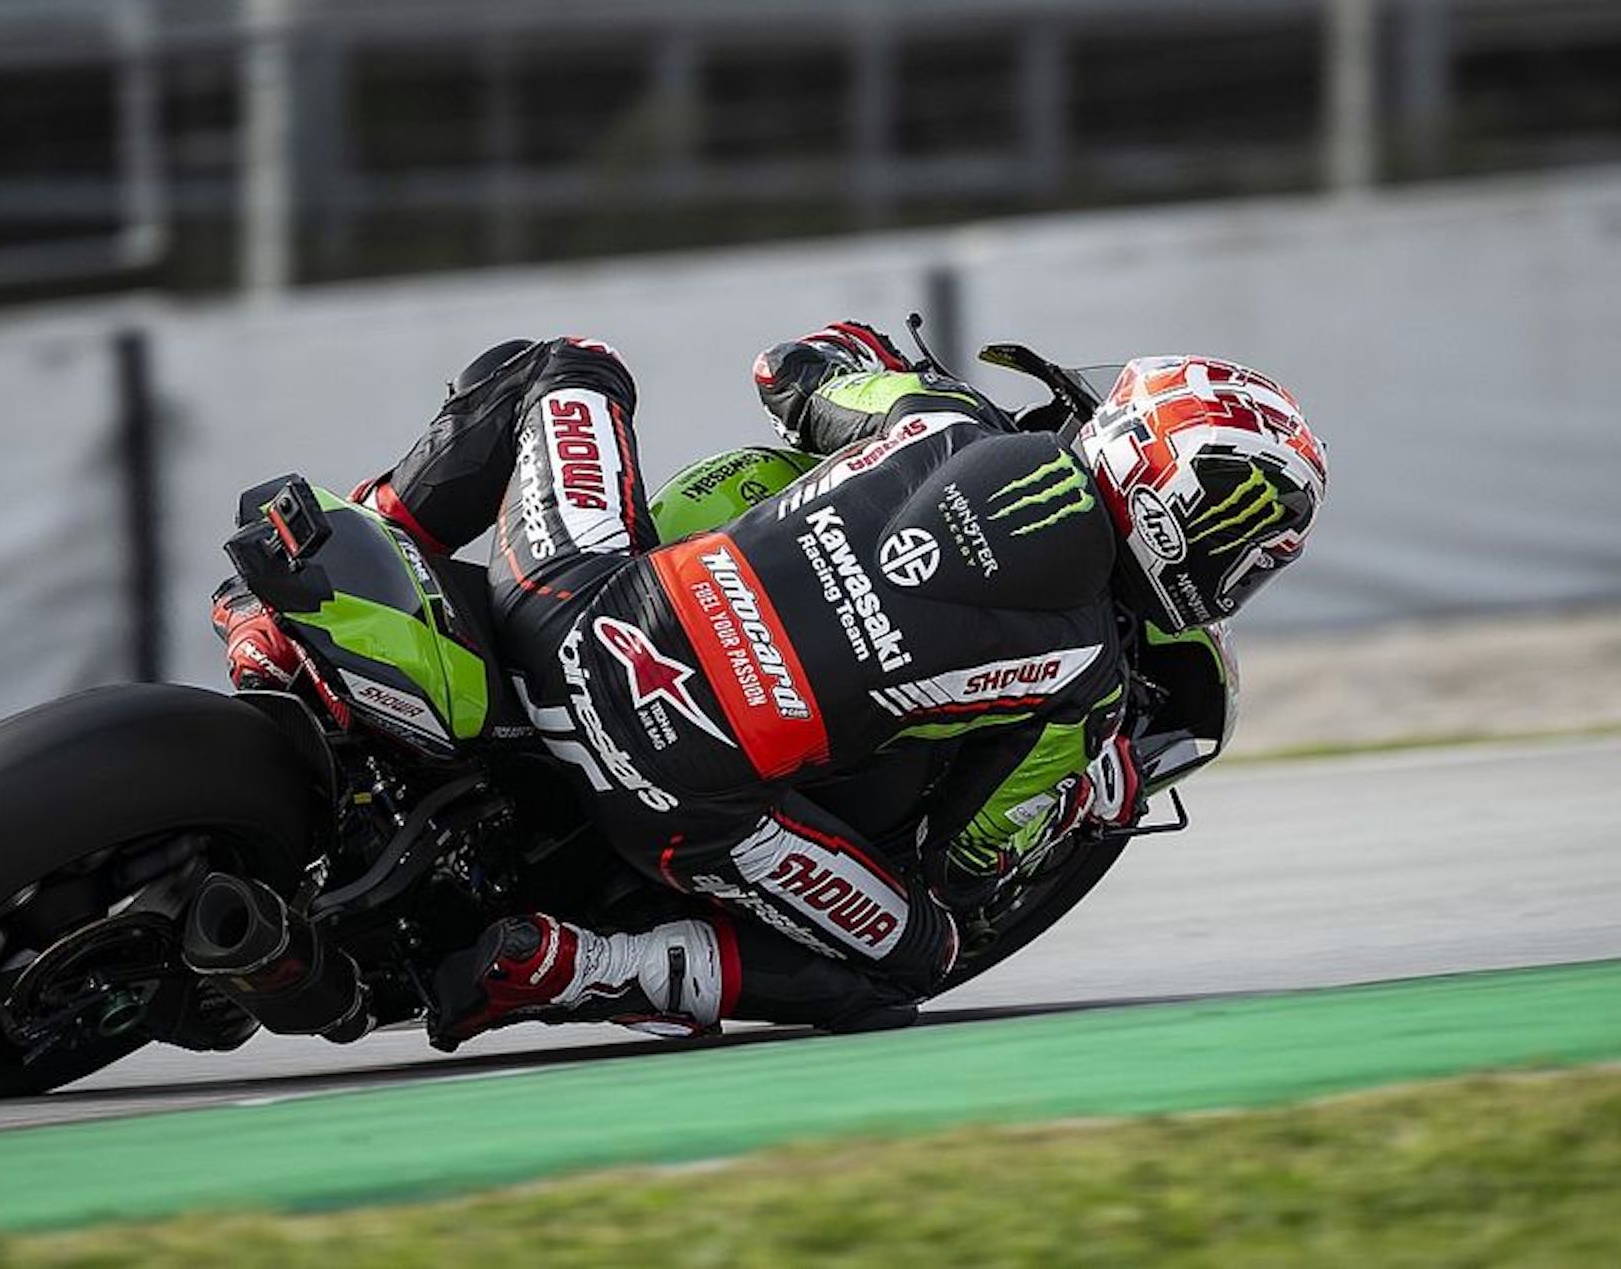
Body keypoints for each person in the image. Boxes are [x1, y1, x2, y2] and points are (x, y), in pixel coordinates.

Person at [216, 325, 1327, 1049]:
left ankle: (347, 564)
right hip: (684, 795)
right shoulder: (1084, 677)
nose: (1239, 569)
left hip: (575, 600)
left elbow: (785, 373)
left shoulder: (940, 420)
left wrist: (841, 353)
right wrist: (1098, 787)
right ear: (1183, 512)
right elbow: (972, 856)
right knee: (916, 952)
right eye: (1245, 541)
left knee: (568, 365)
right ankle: (574, 965)